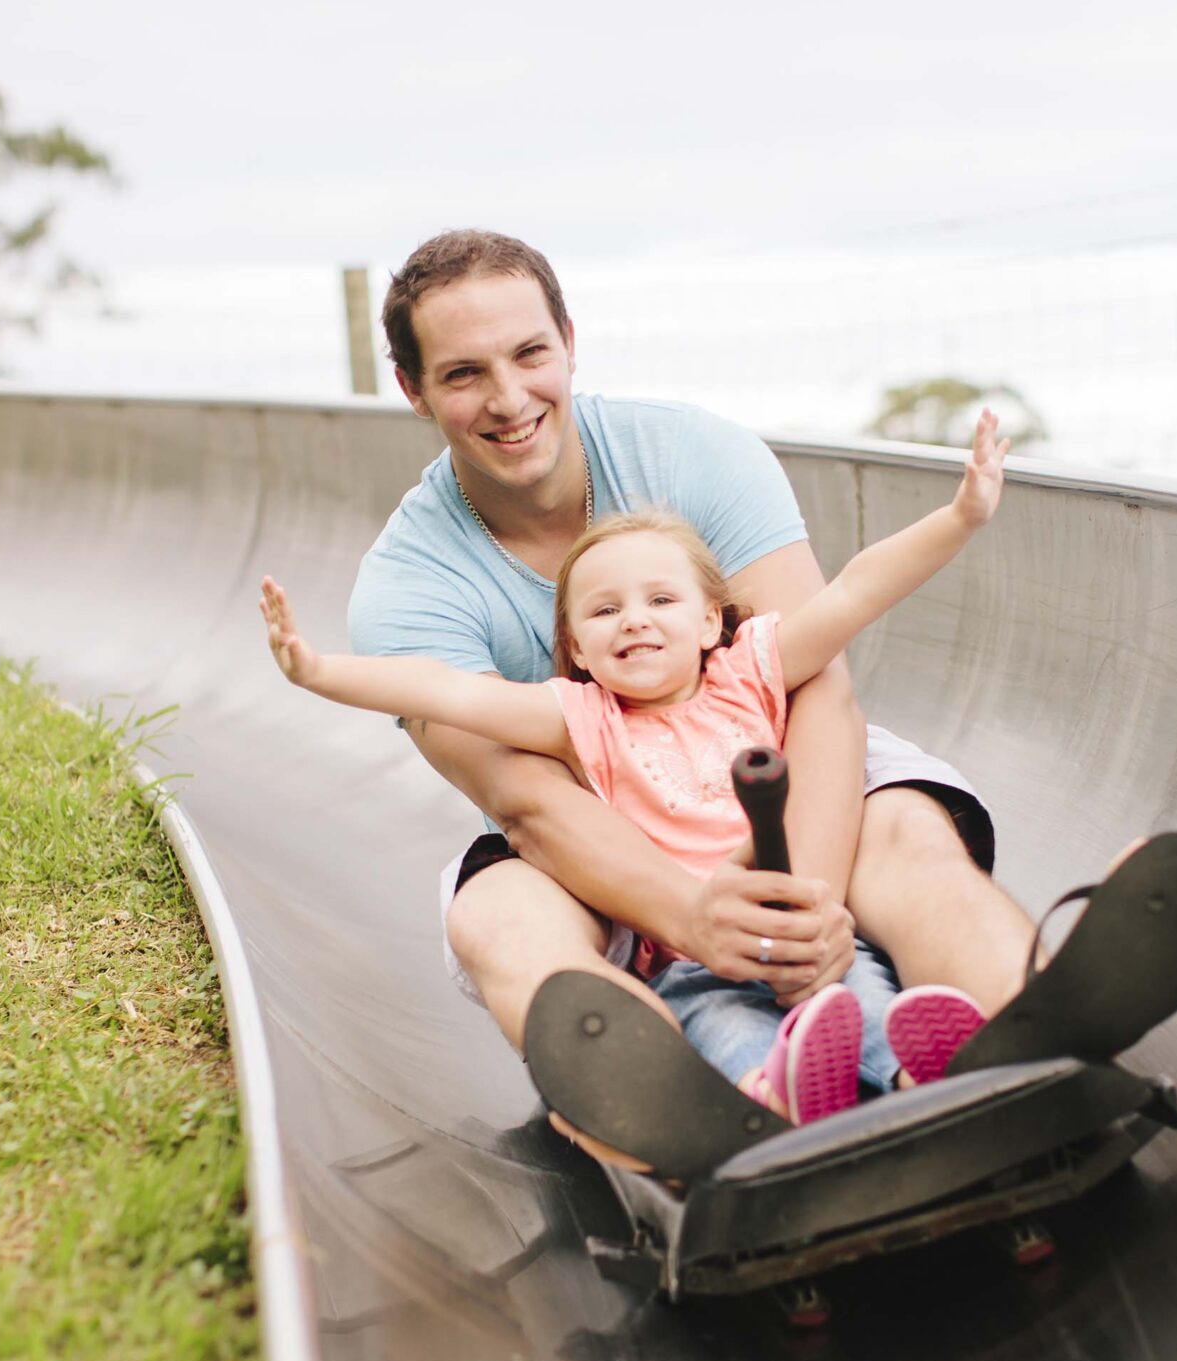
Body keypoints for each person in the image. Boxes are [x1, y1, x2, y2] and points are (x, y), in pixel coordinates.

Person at [343, 230, 1044, 1159]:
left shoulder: (695, 455)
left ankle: (1020, 1036)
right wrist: (691, 919)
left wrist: (804, 902)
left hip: (768, 759)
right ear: (415, 388)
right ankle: (677, 1120)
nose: (509, 399)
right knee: (497, 919)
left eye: (529, 355)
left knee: (911, 837)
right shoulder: (408, 587)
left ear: (569, 342)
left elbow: (814, 686)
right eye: (465, 373)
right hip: (597, 810)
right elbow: (528, 801)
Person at [262, 409, 1012, 1123]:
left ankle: (922, 1077)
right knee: (723, 1029)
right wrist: (319, 670)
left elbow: (855, 590)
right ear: (578, 650)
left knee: (858, 998)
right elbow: (445, 688)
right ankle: (772, 1102)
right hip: (689, 957)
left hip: (805, 940)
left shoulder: (753, 669)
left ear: (711, 619)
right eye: (604, 610)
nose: (635, 619)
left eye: (659, 598)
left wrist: (961, 518)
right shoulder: (580, 719)